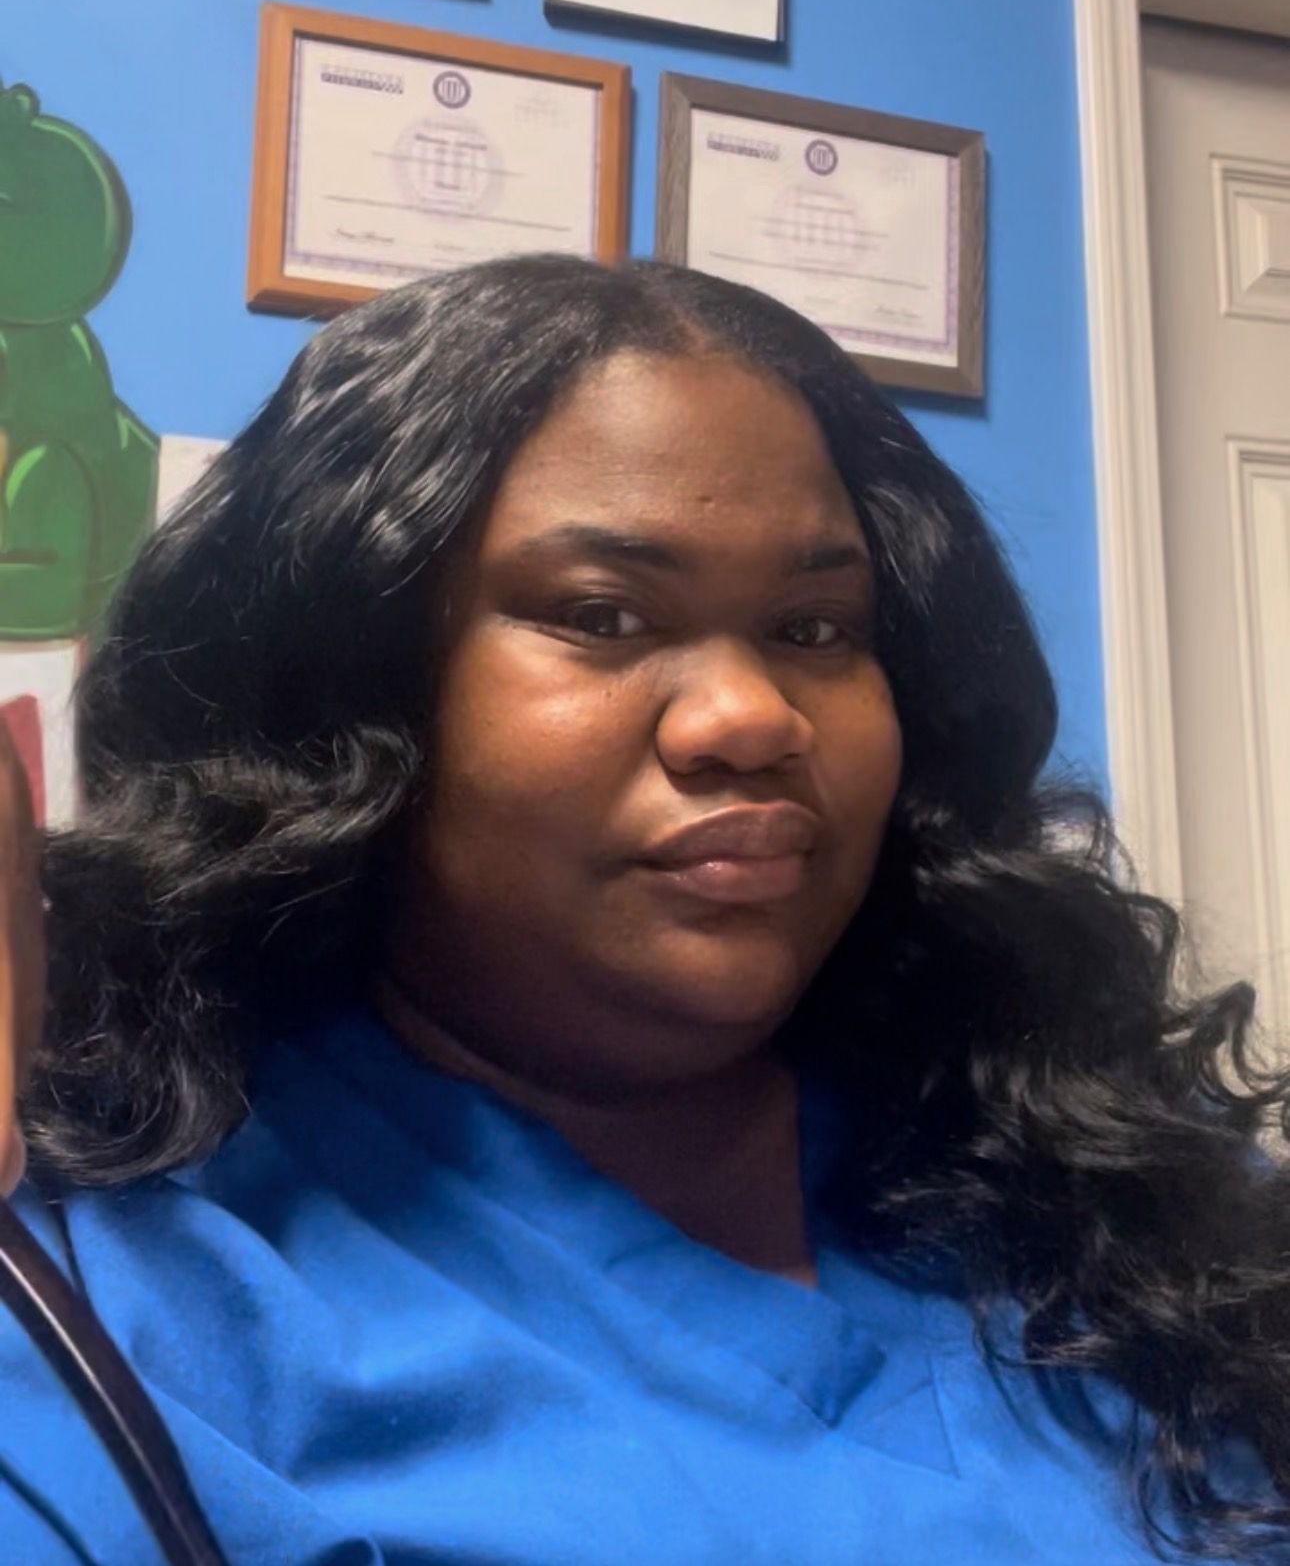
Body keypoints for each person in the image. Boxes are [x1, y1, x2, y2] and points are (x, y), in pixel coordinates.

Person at [0, 253, 1287, 1564]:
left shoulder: (1099, 1154)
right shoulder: (111, 1288)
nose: (752, 718)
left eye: (814, 629)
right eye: (603, 614)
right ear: (349, 693)